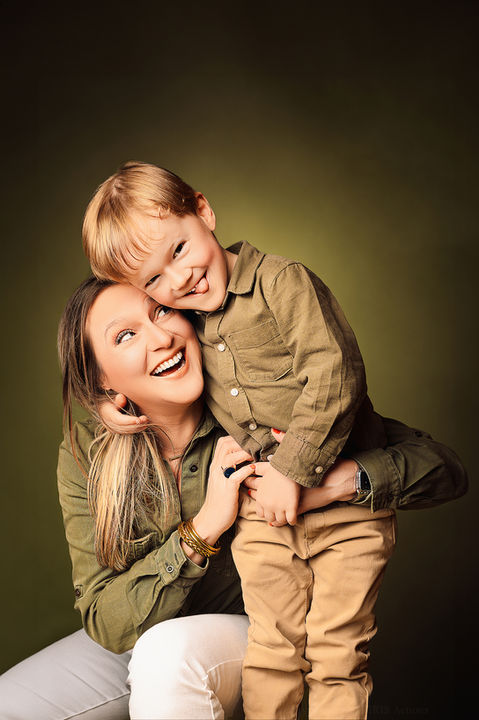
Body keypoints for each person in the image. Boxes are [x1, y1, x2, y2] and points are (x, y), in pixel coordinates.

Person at [80, 161, 468, 719]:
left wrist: (303, 474)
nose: (179, 280)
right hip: (263, 522)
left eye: (180, 250)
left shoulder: (282, 284)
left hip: (342, 517)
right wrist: (109, 402)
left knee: (336, 655)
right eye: (156, 282)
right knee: (271, 655)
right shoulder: (195, 327)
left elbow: (336, 375)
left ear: (203, 211)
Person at [0, 276, 467, 720]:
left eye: (162, 310)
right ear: (104, 382)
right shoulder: (88, 452)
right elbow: (106, 621)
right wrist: (204, 528)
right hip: (140, 633)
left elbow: (444, 468)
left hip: (263, 632)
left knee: (169, 656)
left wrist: (329, 483)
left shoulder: (259, 408)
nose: (161, 337)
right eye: (126, 336)